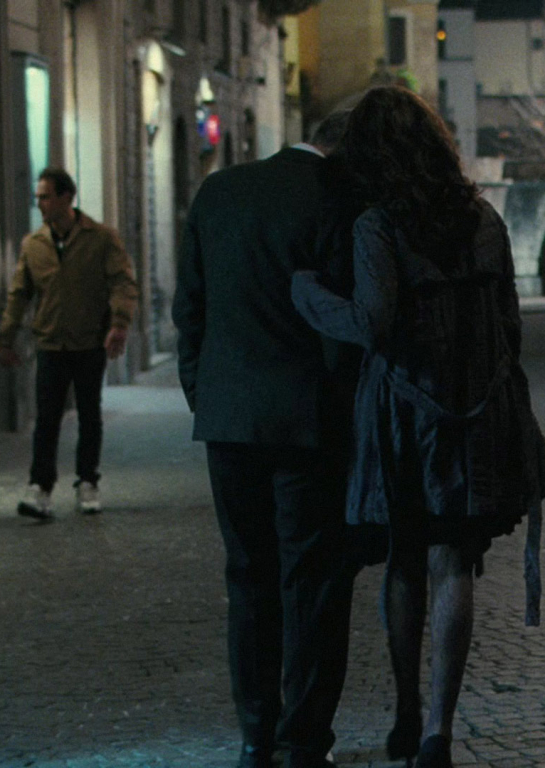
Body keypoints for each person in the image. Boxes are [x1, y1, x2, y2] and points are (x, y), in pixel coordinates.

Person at [291, 86, 545, 768]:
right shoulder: (484, 218)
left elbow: (369, 323)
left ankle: (408, 706)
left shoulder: (378, 226)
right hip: (476, 412)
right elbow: (510, 324)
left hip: (405, 415)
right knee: (453, 561)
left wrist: (308, 294)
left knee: (405, 559)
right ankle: (439, 727)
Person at [173, 113, 360, 768]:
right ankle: (302, 739)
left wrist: (206, 396)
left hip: (230, 420)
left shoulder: (219, 191)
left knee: (249, 577)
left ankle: (256, 734)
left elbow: (190, 310)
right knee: (313, 582)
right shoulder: (336, 198)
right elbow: (342, 325)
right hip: (308, 423)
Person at [0, 167, 138, 520]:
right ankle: (40, 487)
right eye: (38, 197)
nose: (40, 203)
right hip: (50, 342)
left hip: (89, 340)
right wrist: (6, 337)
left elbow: (122, 282)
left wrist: (119, 324)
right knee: (47, 418)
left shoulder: (100, 238)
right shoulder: (34, 245)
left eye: (46, 197)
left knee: (90, 414)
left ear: (66, 197)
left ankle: (88, 481)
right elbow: (19, 293)